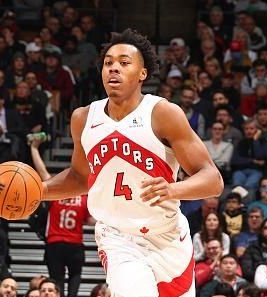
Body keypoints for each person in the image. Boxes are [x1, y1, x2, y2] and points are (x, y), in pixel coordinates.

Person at [41, 29, 223, 297]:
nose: (114, 68)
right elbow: (81, 179)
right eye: (108, 63)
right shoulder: (83, 118)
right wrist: (40, 191)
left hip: (168, 236)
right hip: (117, 236)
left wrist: (174, 189)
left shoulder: (163, 113)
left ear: (142, 73)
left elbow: (213, 180)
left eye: (124, 62)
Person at [30, 136, 94, 297]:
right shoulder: (84, 197)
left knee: (59, 282)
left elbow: (43, 173)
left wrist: (34, 148)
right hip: (73, 244)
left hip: (57, 243)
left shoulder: (56, 193)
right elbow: (91, 220)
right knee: (72, 280)